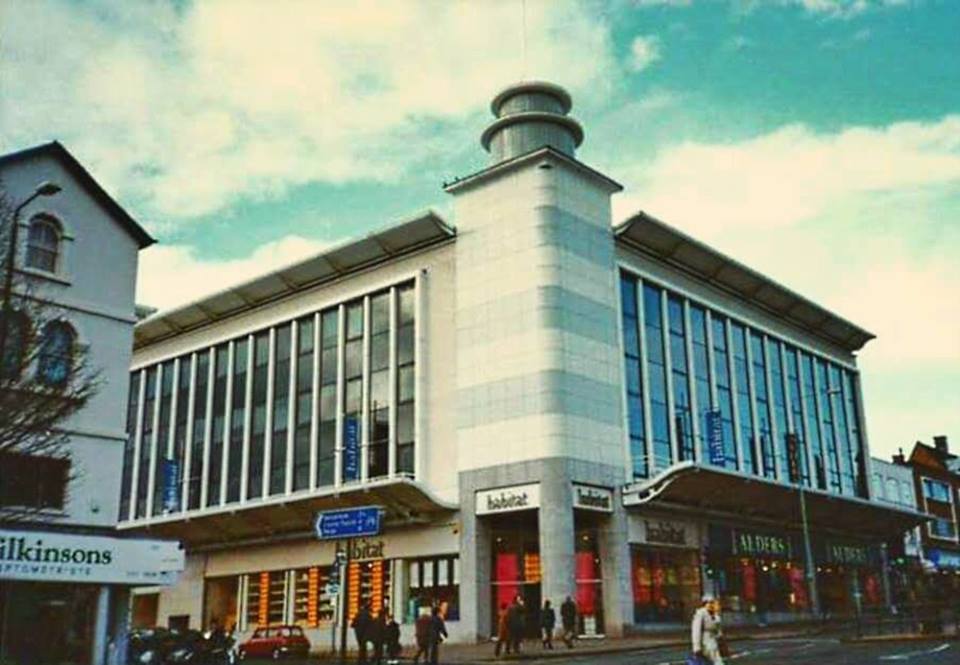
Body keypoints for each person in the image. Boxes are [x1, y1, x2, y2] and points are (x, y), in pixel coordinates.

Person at [691, 594, 725, 665]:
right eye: (708, 603)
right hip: (705, 643)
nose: (710, 605)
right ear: (704, 604)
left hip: (713, 642)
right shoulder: (700, 613)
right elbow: (696, 631)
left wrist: (720, 639)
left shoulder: (714, 614)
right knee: (718, 662)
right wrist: (697, 647)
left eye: (712, 603)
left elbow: (718, 630)